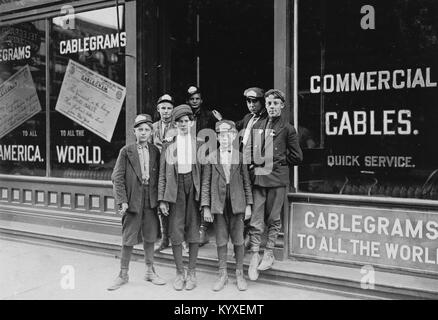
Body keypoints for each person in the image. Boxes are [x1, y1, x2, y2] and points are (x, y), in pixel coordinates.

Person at [247, 89, 303, 281]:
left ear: (282, 106)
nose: (271, 107)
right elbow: (252, 152)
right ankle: (255, 255)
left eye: (275, 103)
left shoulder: (288, 129)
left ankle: (269, 253)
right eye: (269, 103)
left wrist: (276, 159)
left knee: (273, 217)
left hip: (277, 179)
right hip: (260, 178)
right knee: (256, 218)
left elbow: (297, 157)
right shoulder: (259, 125)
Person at [108, 114, 166, 291]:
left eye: (147, 130)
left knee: (150, 236)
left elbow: (161, 176)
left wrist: (161, 199)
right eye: (140, 129)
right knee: (129, 237)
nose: (143, 133)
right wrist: (122, 201)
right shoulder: (126, 151)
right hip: (133, 199)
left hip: (150, 198)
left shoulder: (155, 151)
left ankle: (150, 271)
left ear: (151, 132)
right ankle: (123, 274)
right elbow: (117, 178)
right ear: (134, 131)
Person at [201, 120, 253, 291]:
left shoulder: (240, 156)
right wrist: (206, 207)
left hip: (237, 203)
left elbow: (246, 183)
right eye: (221, 135)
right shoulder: (210, 157)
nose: (224, 138)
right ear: (216, 136)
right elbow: (206, 184)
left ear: (233, 136)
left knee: (238, 240)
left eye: (228, 135)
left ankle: (239, 273)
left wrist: (248, 205)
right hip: (219, 204)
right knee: (221, 239)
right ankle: (222, 274)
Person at [158, 104, 203, 291]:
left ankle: (191, 272)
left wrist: (205, 199)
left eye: (187, 121)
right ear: (175, 124)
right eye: (180, 122)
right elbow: (162, 173)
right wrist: (162, 199)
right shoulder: (169, 144)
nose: (184, 124)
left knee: (193, 230)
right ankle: (179, 272)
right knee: (176, 232)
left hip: (193, 187)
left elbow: (205, 173)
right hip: (175, 189)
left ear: (192, 123)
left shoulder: (200, 143)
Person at [186, 85, 222, 246]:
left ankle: (203, 228)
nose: (195, 101)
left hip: (204, 158)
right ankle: (193, 227)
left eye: (197, 99)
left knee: (203, 190)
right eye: (192, 99)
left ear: (202, 100)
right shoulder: (185, 116)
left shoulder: (209, 116)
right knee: (192, 192)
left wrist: (220, 120)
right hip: (189, 159)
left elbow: (221, 135)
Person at [236, 87, 268, 249]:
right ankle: (241, 234)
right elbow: (237, 128)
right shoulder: (248, 118)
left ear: (262, 102)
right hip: (244, 166)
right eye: (248, 101)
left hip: (258, 167)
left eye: (254, 101)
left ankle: (253, 237)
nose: (251, 104)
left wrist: (257, 161)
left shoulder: (267, 119)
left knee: (257, 202)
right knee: (244, 200)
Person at [152, 94, 177, 252]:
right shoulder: (153, 127)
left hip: (172, 169)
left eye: (169, 108)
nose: (166, 111)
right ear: (158, 109)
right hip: (156, 169)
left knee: (174, 203)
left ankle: (178, 239)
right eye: (163, 108)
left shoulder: (177, 127)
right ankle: (164, 238)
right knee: (159, 204)